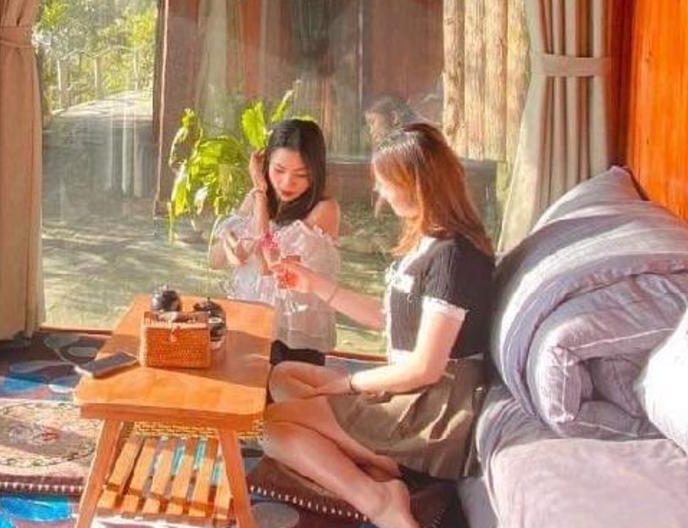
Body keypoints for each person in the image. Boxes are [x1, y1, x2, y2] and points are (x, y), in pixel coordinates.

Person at [263, 122, 494, 528]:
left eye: (387, 183)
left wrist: (349, 383)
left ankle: (380, 499)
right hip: (410, 393)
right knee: (283, 376)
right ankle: (375, 462)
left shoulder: (454, 256)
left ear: (417, 183)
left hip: (430, 411)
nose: (380, 193)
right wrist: (314, 284)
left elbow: (426, 366)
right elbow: (389, 319)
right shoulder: (427, 242)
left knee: (269, 426)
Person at [208, 118, 341, 362]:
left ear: (316, 173)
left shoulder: (324, 210)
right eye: (278, 171)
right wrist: (230, 247)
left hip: (292, 342)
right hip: (249, 324)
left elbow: (271, 266)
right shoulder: (258, 197)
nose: (287, 183)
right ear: (266, 163)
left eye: (301, 175)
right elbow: (214, 260)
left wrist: (260, 193)